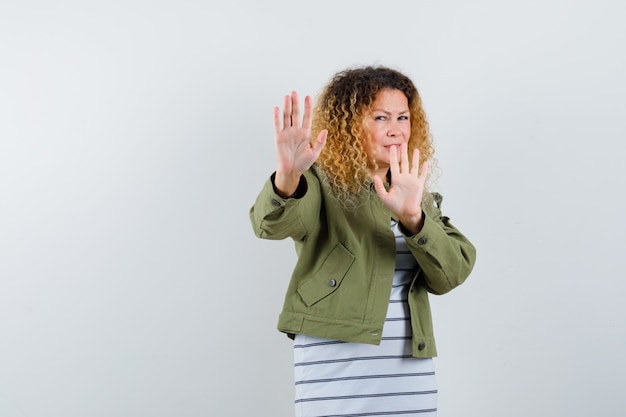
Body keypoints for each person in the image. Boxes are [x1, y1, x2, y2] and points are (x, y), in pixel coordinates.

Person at [249, 65, 476, 417]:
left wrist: (413, 217)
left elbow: (451, 273)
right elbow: (272, 224)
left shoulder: (414, 192)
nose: (396, 129)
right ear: (349, 124)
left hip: (406, 366)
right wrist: (288, 176)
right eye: (381, 117)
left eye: (403, 117)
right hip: (335, 357)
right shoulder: (319, 181)